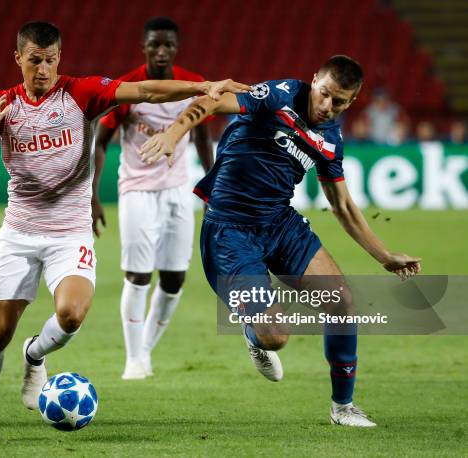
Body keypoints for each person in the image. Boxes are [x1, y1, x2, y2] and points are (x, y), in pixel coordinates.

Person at [0, 21, 248, 431]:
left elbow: (145, 91)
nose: (43, 69)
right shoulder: (1, 103)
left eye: (51, 60)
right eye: (34, 60)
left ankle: (35, 356)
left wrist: (202, 87)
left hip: (70, 231)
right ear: (18, 59)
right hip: (20, 232)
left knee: (72, 314)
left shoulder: (81, 93)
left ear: (60, 59)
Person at [141, 55, 421, 427]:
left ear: (352, 102)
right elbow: (212, 100)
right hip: (230, 231)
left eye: (339, 102)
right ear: (315, 79)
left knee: (342, 303)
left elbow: (342, 206)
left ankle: (343, 408)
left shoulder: (331, 139)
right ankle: (254, 332)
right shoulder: (278, 95)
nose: (327, 106)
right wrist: (173, 134)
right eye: (324, 94)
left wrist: (384, 256)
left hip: (280, 224)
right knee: (275, 336)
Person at [93, 17, 213, 380]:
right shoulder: (128, 88)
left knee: (175, 278)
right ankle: (133, 358)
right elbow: (99, 142)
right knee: (139, 276)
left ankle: (145, 351)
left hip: (178, 190)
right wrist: (92, 195)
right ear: (143, 47)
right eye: (155, 45)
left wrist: (212, 185)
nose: (161, 51)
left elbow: (203, 137)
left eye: (168, 45)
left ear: (176, 49)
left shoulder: (193, 85)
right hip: (136, 190)